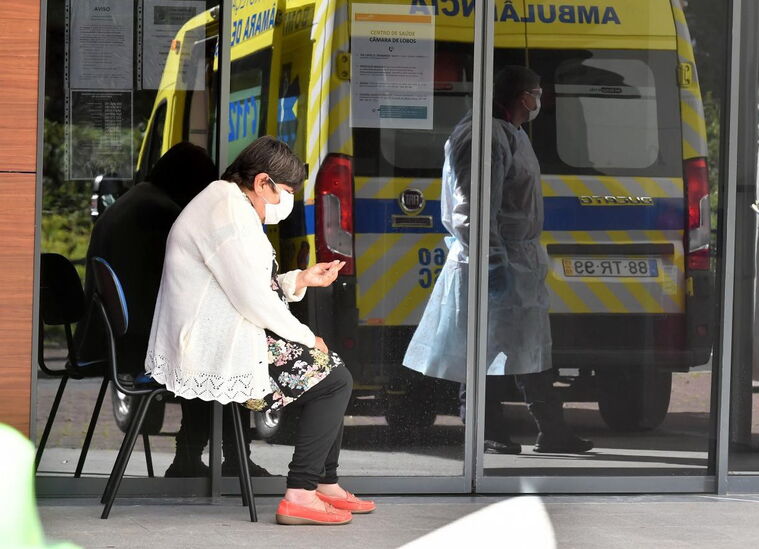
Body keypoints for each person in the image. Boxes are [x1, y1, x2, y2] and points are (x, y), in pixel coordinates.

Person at [145, 136, 374, 525]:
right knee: (334, 380)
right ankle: (303, 492)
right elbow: (251, 297)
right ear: (263, 182)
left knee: (331, 370)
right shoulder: (226, 213)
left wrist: (300, 278)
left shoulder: (229, 202)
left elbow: (247, 285)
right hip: (210, 342)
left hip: (226, 328)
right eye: (285, 191)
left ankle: (324, 483)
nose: (286, 201)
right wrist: (304, 336)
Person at [403, 65, 593, 455]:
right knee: (480, 349)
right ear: (523, 96)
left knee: (529, 346)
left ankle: (552, 430)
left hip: (516, 259)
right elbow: (473, 207)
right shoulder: (482, 136)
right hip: (489, 258)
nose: (540, 100)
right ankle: (484, 429)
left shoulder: (511, 133)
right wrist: (491, 261)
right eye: (537, 92)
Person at [75, 143, 268, 478]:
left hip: (111, 339)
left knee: (208, 348)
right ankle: (227, 459)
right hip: (135, 345)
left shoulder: (133, 202)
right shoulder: (160, 213)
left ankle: (192, 457)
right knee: (224, 354)